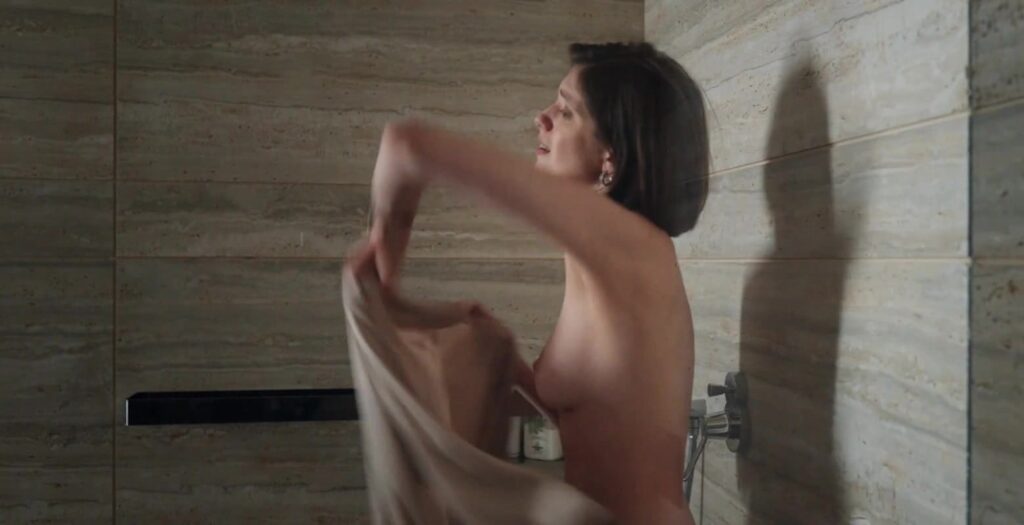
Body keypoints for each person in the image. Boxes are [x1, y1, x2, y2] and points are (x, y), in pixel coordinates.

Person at [360, 41, 708, 525]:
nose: (541, 118)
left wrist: (384, 251)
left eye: (565, 111)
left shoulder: (631, 245)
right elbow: (600, 417)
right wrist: (496, 356)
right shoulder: (603, 257)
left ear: (610, 155)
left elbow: (406, 145)